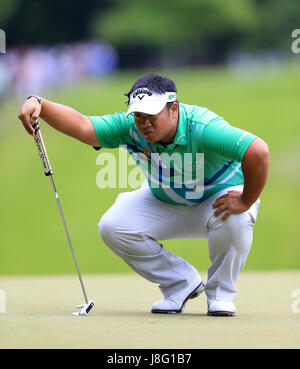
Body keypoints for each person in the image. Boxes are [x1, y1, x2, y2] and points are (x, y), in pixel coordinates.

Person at [18, 73, 269, 317]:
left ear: (173, 109)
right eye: (138, 115)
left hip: (217, 200)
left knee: (237, 218)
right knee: (113, 226)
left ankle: (220, 295)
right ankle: (181, 283)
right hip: (167, 200)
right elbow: (84, 126)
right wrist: (41, 103)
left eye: (151, 115)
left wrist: (246, 200)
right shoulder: (131, 129)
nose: (144, 123)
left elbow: (257, 151)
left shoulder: (202, 128)